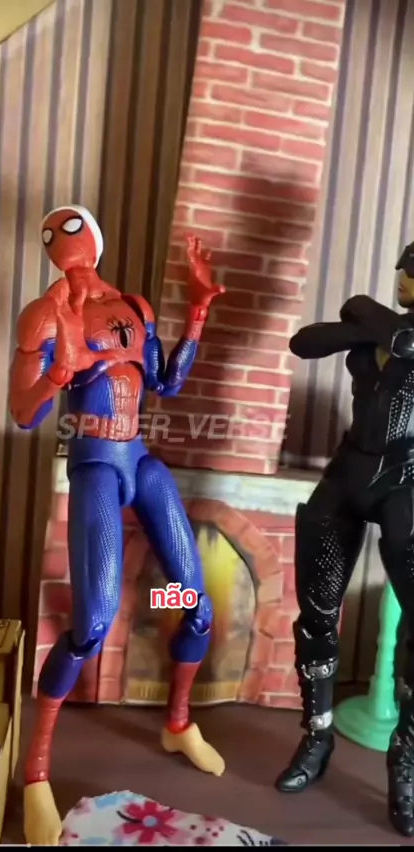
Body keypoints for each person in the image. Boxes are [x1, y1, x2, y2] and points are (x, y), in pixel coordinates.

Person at [8, 205, 225, 845]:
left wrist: (198, 311)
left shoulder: (133, 306)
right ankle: (36, 772)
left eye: (70, 227)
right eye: (51, 233)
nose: (61, 238)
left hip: (140, 460)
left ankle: (178, 723)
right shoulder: (44, 314)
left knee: (195, 604)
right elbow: (23, 413)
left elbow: (167, 382)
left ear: (95, 238)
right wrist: (59, 370)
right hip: (96, 464)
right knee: (93, 624)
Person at [276, 242, 414, 838]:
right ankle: (318, 736)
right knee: (316, 615)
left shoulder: (390, 331)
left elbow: (406, 342)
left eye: (412, 273)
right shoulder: (379, 331)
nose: (402, 278)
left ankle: (405, 762)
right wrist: (366, 318)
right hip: (349, 473)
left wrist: (366, 312)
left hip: (408, 484)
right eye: (402, 270)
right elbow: (303, 342)